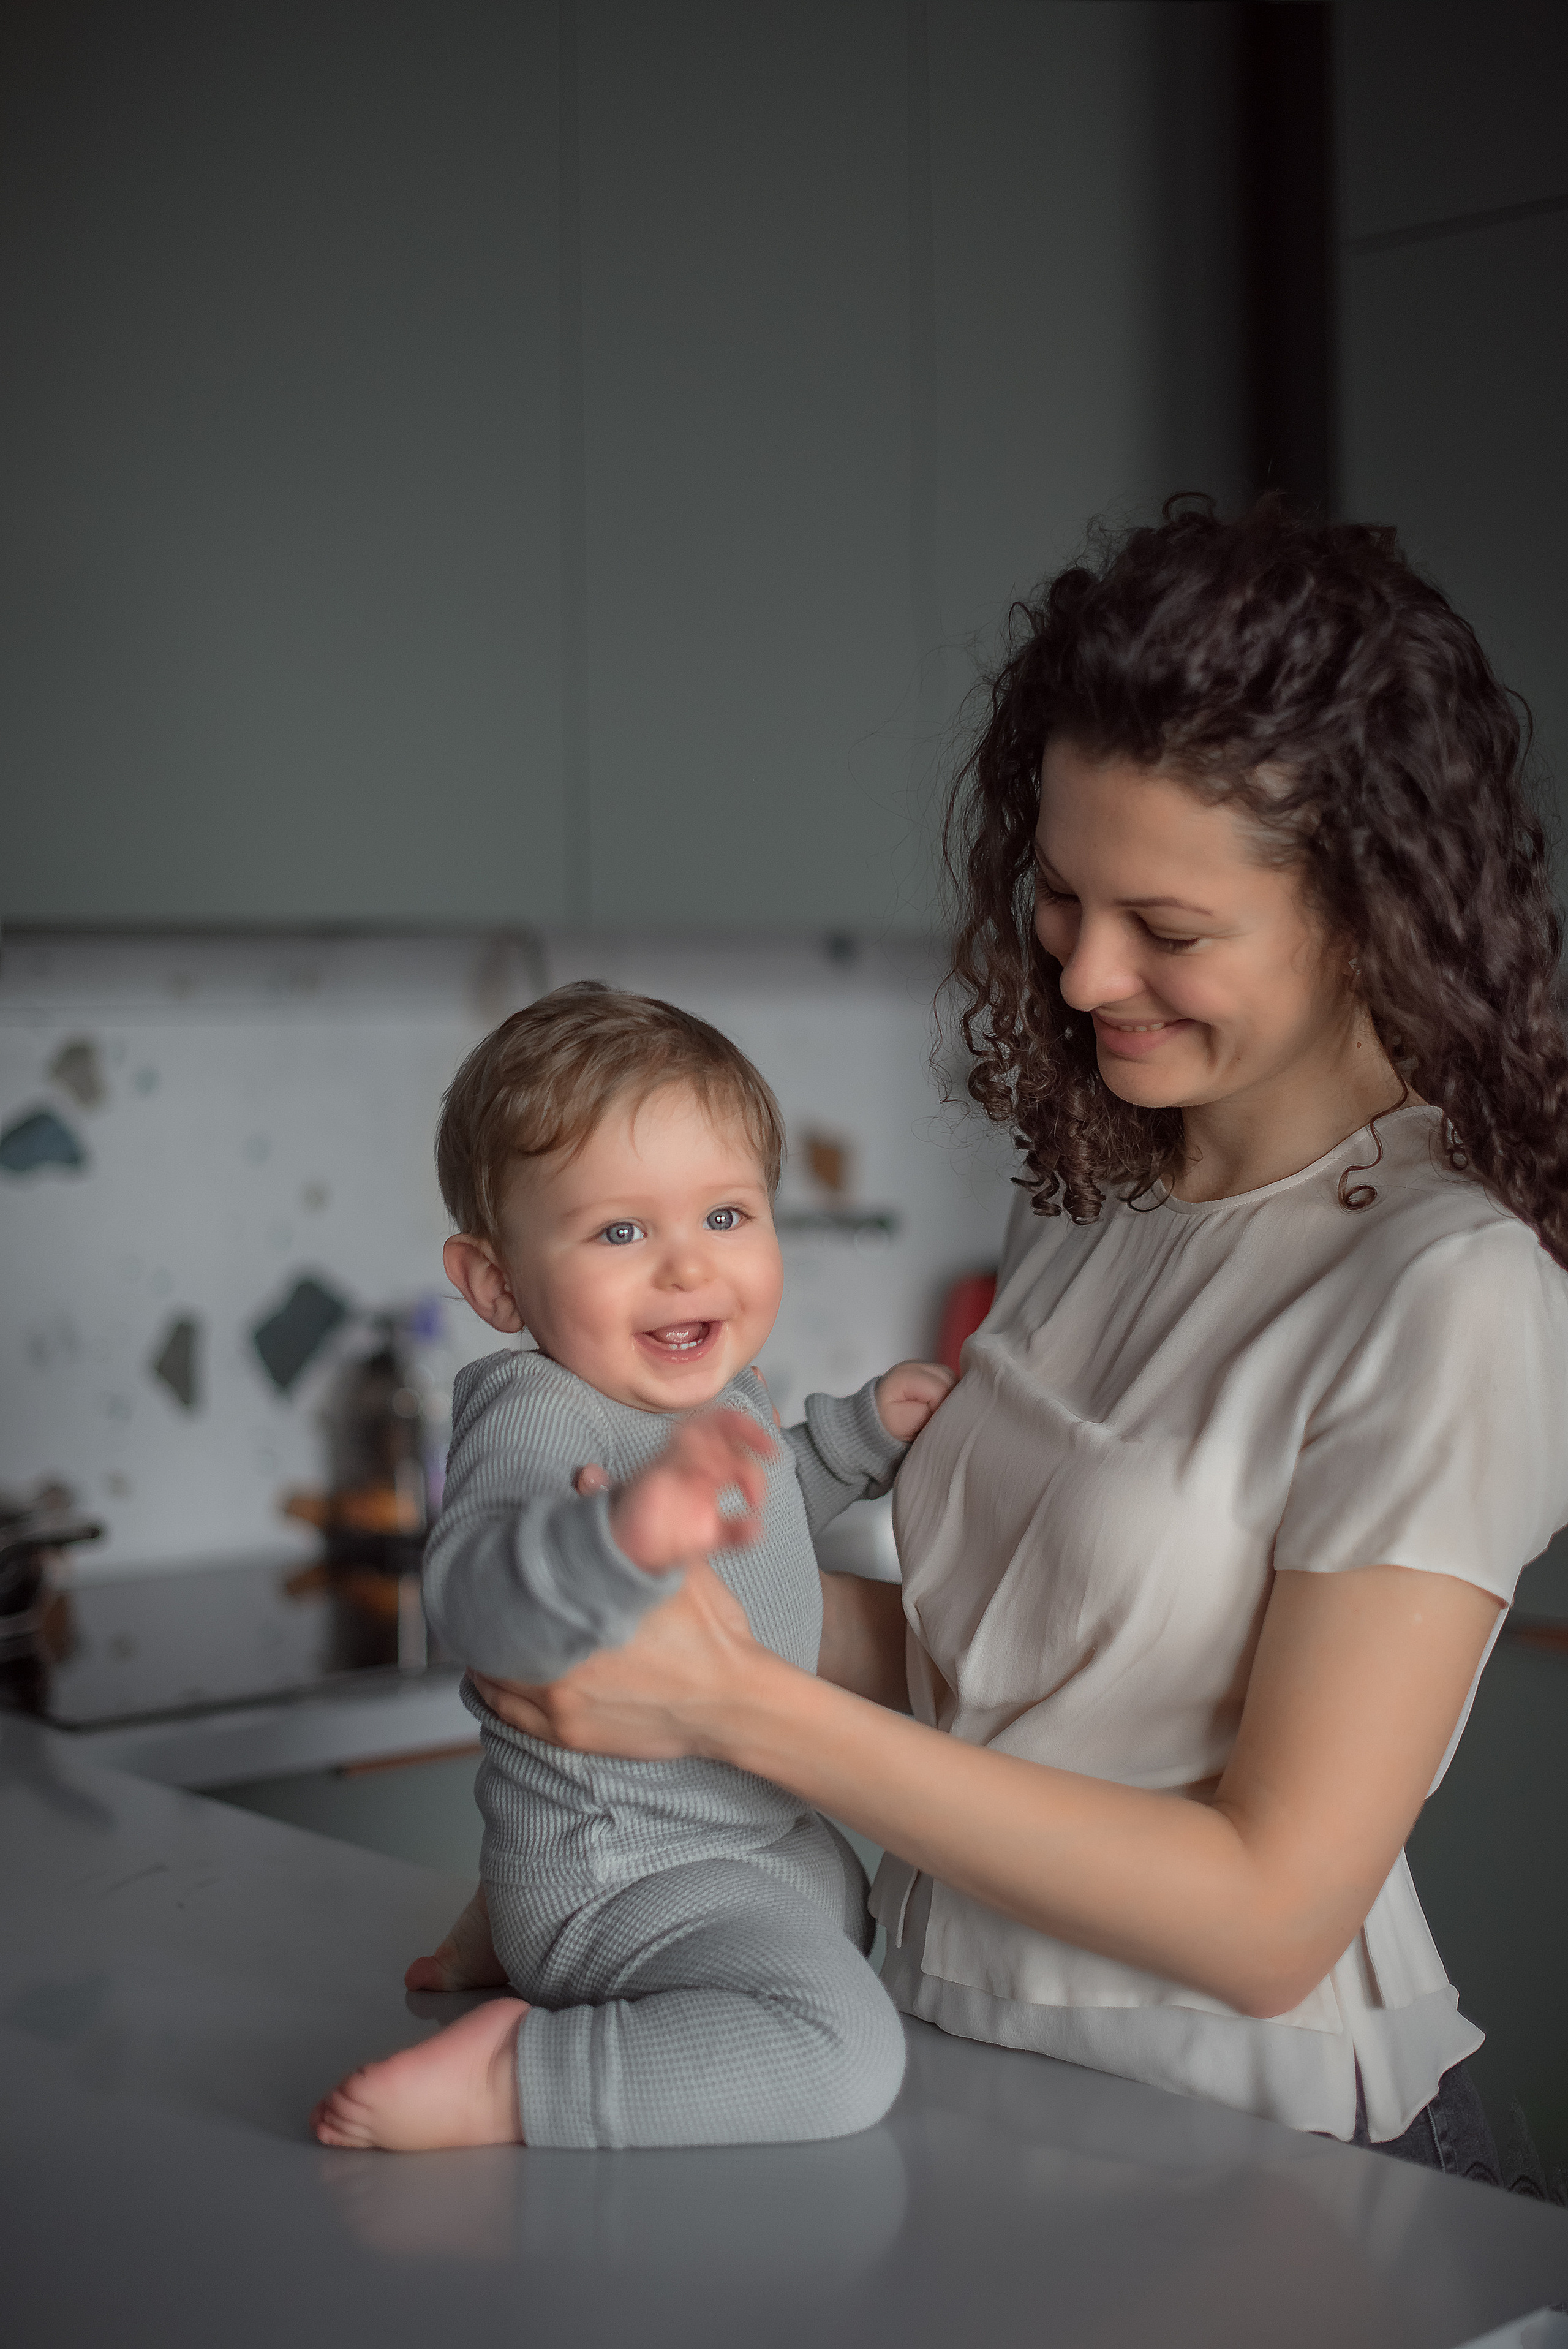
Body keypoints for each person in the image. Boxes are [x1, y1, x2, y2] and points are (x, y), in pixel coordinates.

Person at [388, 501, 1568, 2182]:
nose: (1084, 975)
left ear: (1371, 906)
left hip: (1272, 2161)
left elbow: (1267, 1918)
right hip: (974, 2088)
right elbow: (987, 1664)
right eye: (1061, 895)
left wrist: (731, 1710)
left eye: (1165, 927)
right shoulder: (1097, 1199)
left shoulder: (1456, 1288)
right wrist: (628, 1818)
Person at [311, 985, 952, 2150]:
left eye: (725, 1215)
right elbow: (477, 1591)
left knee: (862, 1910)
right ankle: (516, 2079)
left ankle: (505, 1929)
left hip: (742, 1847)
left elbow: (752, 1521)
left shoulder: (715, 1391)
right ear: (497, 1282)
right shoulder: (538, 1409)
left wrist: (851, 1442)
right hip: (627, 1876)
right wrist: (617, 1542)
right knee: (846, 2053)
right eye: (619, 1231)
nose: (685, 1268)